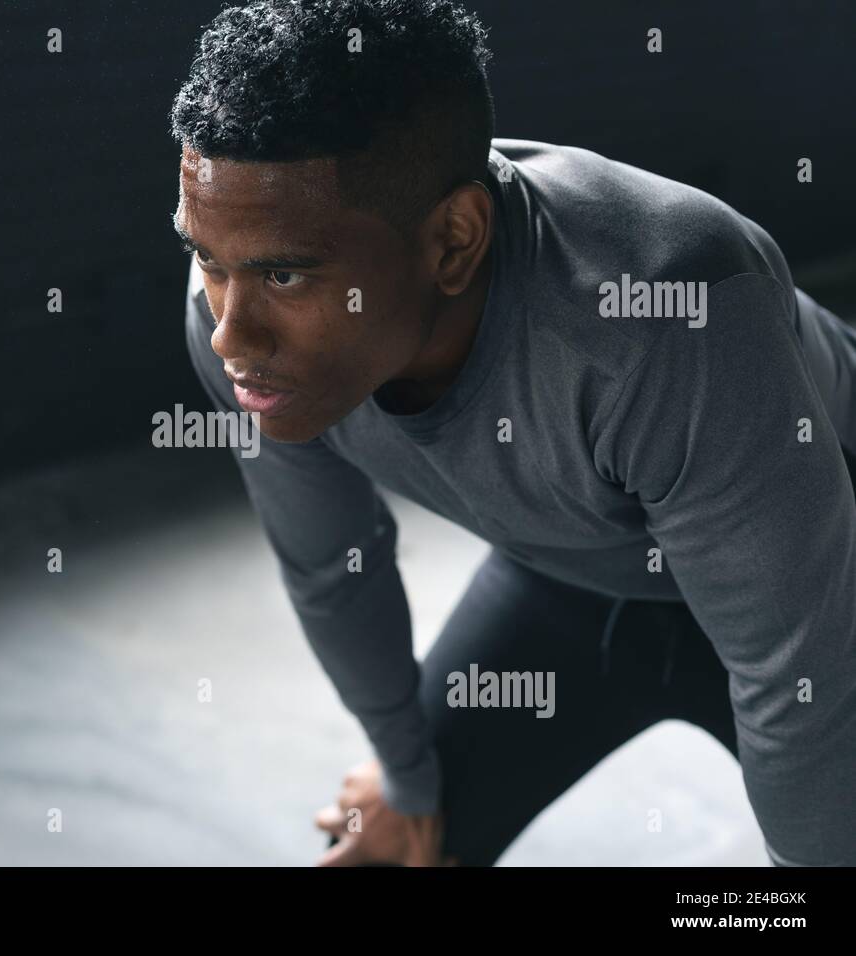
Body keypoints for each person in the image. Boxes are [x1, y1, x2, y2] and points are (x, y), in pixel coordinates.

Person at [168, 0, 856, 866]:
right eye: (208, 257)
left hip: (830, 581)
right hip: (578, 571)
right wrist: (407, 773)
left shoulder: (668, 310)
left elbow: (803, 679)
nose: (231, 331)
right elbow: (330, 567)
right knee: (392, 850)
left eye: (285, 274)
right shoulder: (234, 330)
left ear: (455, 240)